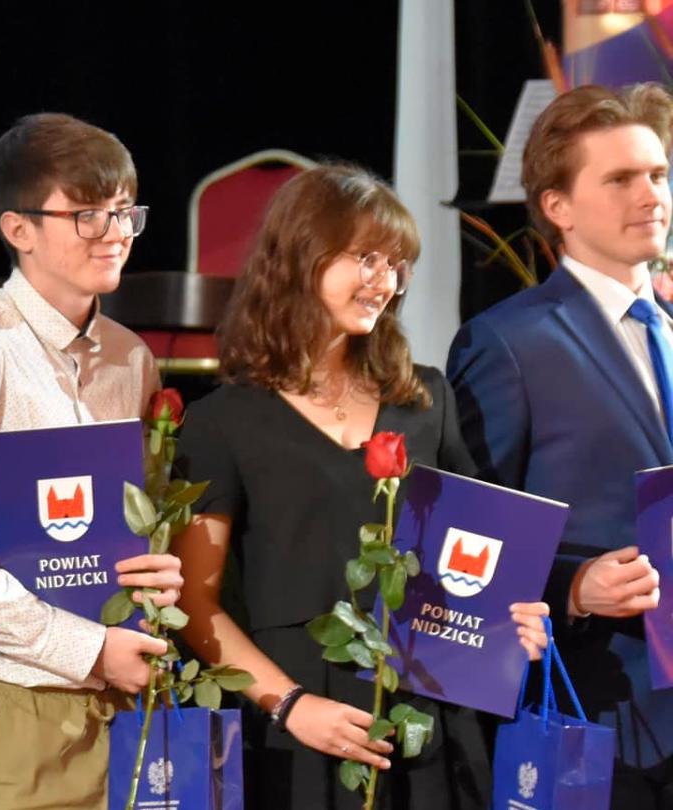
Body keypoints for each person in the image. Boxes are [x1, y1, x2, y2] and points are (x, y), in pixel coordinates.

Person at [174, 164, 550, 809]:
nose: (386, 280)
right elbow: (195, 601)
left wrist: (511, 623)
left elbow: (480, 559)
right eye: (367, 258)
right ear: (300, 257)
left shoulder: (427, 398)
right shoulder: (222, 421)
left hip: (424, 718)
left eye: (397, 264)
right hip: (297, 726)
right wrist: (289, 704)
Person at [0, 112, 185, 809]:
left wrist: (160, 567)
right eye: (88, 215)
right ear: (18, 229)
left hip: (129, 693)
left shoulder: (132, 357)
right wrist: (88, 649)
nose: (115, 232)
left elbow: (140, 521)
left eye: (125, 212)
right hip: (15, 704)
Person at [447, 82, 673, 809]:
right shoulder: (508, 343)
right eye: (621, 179)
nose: (651, 196)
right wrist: (573, 590)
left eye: (658, 174)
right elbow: (466, 551)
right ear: (558, 207)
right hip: (601, 712)